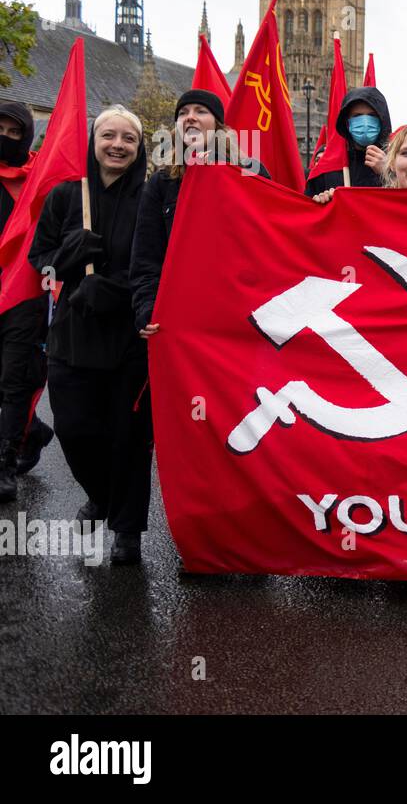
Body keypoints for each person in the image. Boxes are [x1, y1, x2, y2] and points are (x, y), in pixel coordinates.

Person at [28, 105, 152, 564]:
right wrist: (64, 257)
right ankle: (100, 495)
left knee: (131, 436)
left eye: (128, 139)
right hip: (73, 335)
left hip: (129, 336)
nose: (117, 145)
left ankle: (127, 529)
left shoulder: (148, 199)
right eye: (108, 136)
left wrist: (118, 291)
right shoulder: (65, 197)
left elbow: (158, 264)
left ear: (139, 149)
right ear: (93, 142)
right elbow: (37, 264)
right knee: (75, 429)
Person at [130, 89, 268, 344]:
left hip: (241, 315)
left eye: (200, 111)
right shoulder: (162, 183)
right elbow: (146, 259)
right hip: (183, 315)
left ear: (218, 125)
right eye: (183, 113)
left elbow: (274, 236)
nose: (190, 117)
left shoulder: (252, 173)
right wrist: (146, 308)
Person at [0, 102, 55, 500]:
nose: (4, 137)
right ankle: (32, 431)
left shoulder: (41, 179)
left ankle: (5, 464)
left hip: (25, 290)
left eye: (13, 131)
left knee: (15, 379)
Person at [303, 86, 392, 197]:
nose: (365, 123)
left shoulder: (397, 164)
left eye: (372, 116)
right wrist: (323, 202)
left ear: (382, 121)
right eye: (357, 116)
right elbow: (308, 207)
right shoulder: (327, 169)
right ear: (347, 123)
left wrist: (388, 174)